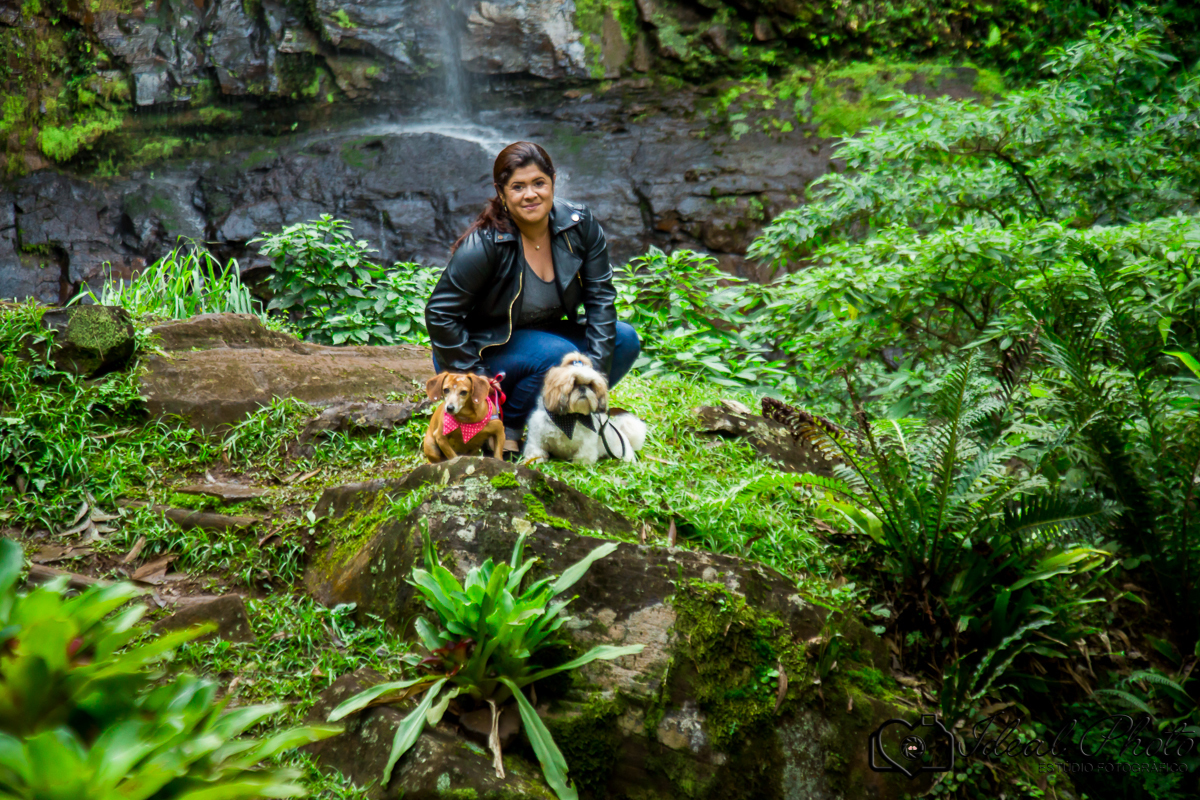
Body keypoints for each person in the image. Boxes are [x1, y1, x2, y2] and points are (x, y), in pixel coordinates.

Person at [425, 141, 641, 457]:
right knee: (558, 354)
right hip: (481, 349)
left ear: (553, 181)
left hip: (541, 339)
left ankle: (566, 414)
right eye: (518, 187)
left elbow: (601, 299)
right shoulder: (485, 243)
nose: (530, 194)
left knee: (624, 339)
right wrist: (477, 381)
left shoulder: (579, 226)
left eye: (539, 183)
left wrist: (588, 380)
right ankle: (508, 429)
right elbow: (440, 314)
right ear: (502, 193)